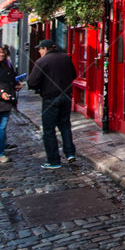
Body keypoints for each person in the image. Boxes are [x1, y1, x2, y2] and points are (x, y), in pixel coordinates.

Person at [27, 39, 78, 170]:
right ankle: (70, 153)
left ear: (45, 48)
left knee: (49, 130)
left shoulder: (41, 62)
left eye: (40, 49)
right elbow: (74, 74)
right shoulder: (65, 58)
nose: (39, 51)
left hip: (50, 98)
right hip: (66, 97)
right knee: (65, 125)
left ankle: (53, 160)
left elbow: (32, 82)